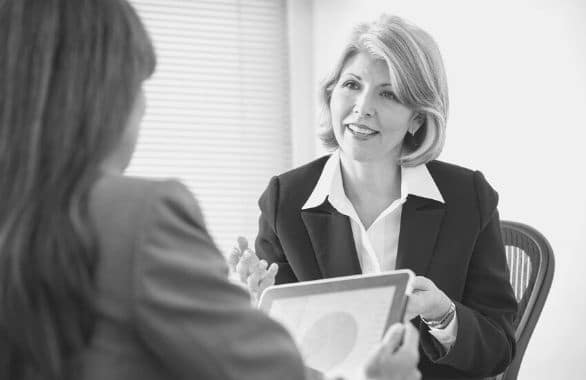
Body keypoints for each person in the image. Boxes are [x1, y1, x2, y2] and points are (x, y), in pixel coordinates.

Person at [0, 1, 421, 380]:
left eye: (388, 93)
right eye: (138, 84)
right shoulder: (142, 215)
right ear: (100, 92)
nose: (144, 107)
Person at [231, 14, 518, 380]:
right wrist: (265, 306)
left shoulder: (468, 197)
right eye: (352, 84)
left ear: (418, 118)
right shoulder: (285, 200)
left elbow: (498, 350)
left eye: (388, 93)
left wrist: (442, 313)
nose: (362, 107)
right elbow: (281, 360)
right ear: (330, 94)